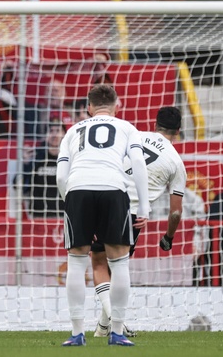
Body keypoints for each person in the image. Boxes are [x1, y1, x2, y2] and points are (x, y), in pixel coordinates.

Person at [55, 84, 149, 347]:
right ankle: (117, 333)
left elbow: (61, 176)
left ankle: (77, 333)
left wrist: (69, 201)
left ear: (89, 107)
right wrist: (144, 207)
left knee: (76, 263)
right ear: (117, 106)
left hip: (78, 189)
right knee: (119, 264)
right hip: (113, 189)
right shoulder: (127, 128)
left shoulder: (73, 130)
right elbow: (138, 163)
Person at [90, 106, 187, 338]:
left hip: (104, 198)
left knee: (99, 263)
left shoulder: (133, 135)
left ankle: (105, 325)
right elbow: (175, 212)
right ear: (178, 131)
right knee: (117, 268)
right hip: (133, 214)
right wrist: (168, 237)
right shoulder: (176, 162)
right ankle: (113, 322)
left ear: (155, 124)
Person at [22, 120, 65, 218]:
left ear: (64, 134)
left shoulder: (69, 160)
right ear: (45, 135)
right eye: (51, 131)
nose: (54, 135)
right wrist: (25, 165)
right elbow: (18, 185)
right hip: (39, 216)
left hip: (62, 216)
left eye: (58, 131)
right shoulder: (36, 158)